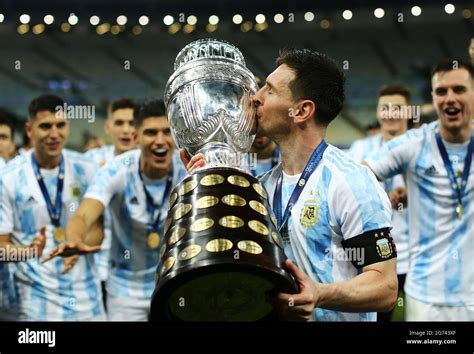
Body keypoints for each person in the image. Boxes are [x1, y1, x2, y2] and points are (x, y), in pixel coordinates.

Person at [184, 48, 398, 321]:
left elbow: (385, 288)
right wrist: (204, 186)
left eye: (269, 90)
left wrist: (320, 293)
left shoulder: (350, 181)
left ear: (301, 111)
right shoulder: (261, 186)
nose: (255, 97)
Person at [45, 100, 186, 321]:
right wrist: (74, 238)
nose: (160, 140)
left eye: (166, 132)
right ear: (136, 138)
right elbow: (84, 214)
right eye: (150, 132)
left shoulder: (188, 168)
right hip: (124, 289)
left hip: (174, 282)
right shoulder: (116, 170)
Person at [364, 58, 474, 321]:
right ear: (433, 97)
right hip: (425, 297)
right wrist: (381, 199)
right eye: (441, 91)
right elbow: (358, 175)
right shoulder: (415, 143)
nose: (449, 98)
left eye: (459, 89)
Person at [0, 94, 105, 321]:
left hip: (86, 303)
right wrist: (29, 250)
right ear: (29, 130)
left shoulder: (87, 169)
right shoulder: (8, 178)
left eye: (61, 125)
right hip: (36, 306)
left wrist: (79, 244)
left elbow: (97, 229)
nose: (54, 134)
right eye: (45, 126)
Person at [348, 84, 412, 321]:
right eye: (385, 108)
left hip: (418, 254)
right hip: (376, 254)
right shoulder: (360, 150)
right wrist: (381, 194)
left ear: (408, 112)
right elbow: (348, 188)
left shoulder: (422, 147)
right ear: (378, 112)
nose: (391, 113)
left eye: (397, 108)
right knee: (378, 318)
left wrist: (412, 192)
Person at [85, 98, 137, 307]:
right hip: (99, 266)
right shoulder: (89, 162)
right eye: (119, 123)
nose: (126, 130)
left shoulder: (157, 162)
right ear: (107, 127)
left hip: (142, 268)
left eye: (132, 123)